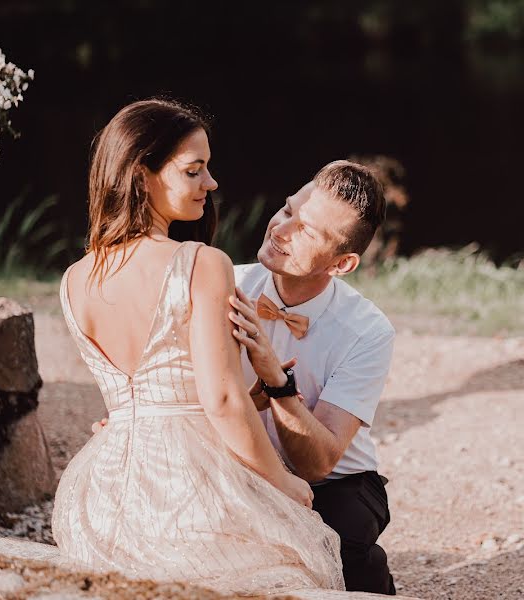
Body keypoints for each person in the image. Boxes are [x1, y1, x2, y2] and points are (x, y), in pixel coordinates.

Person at [52, 98, 345, 595]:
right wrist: (283, 483)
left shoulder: (74, 278)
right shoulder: (201, 263)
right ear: (141, 176)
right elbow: (222, 400)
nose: (211, 184)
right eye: (194, 170)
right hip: (188, 486)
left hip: (98, 500)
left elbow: (136, 401)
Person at [225, 161, 397, 594]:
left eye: (307, 232)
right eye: (287, 211)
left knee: (336, 548)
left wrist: (275, 380)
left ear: (342, 264)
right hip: (238, 466)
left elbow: (318, 462)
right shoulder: (226, 284)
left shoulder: (367, 330)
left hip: (336, 483)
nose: (280, 230)